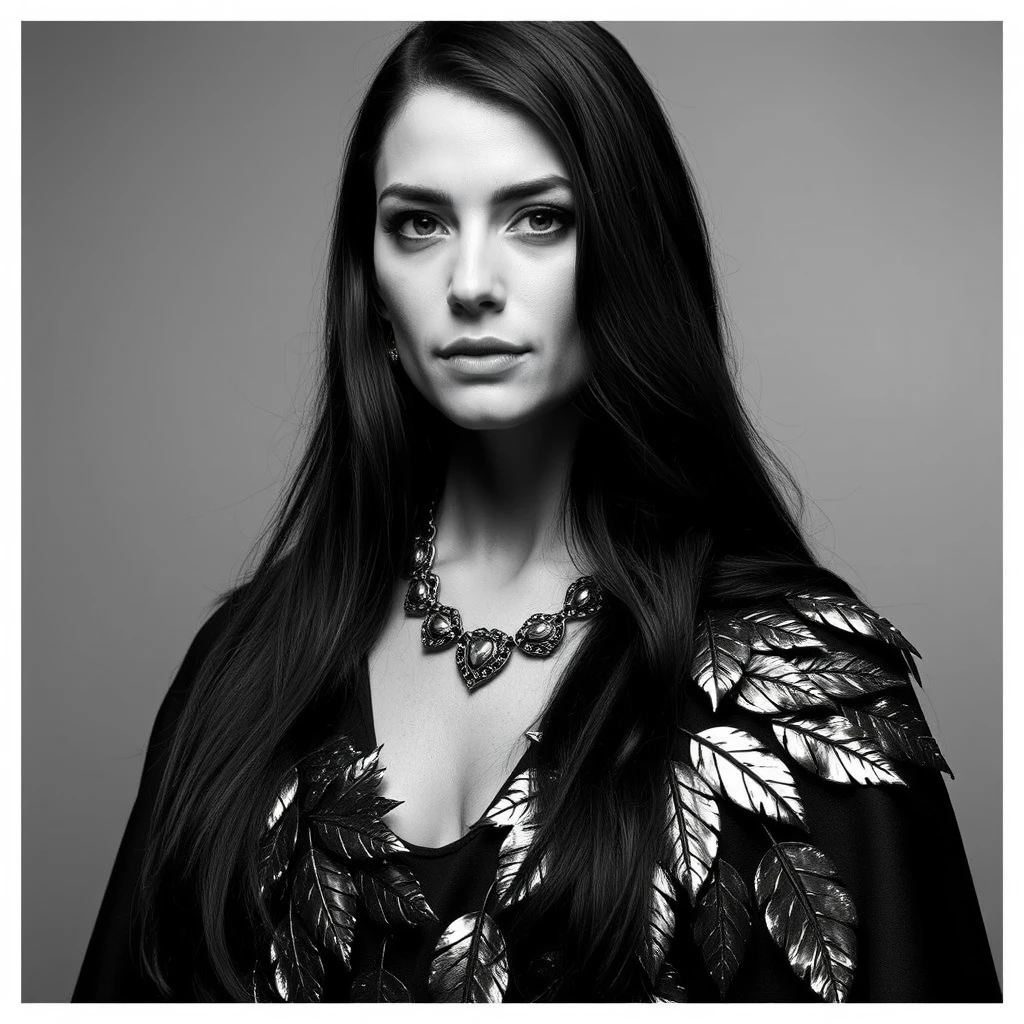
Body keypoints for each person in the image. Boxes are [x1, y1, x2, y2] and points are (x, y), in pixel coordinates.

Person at [73, 22, 1000, 1003]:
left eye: (537, 219)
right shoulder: (241, 670)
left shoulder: (798, 684)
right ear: (372, 291)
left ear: (626, 255)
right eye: (419, 223)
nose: (470, 283)